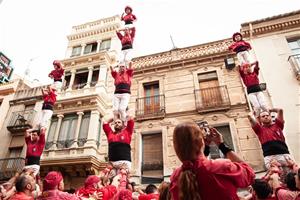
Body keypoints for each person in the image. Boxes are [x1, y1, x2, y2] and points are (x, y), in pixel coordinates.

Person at [169, 122, 255, 200]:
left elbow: (199, 166)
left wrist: (205, 148)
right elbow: (249, 174)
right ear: (200, 142)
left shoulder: (175, 177)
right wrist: (222, 145)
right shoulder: (221, 167)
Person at [248, 108, 295, 173]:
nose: (266, 117)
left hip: (284, 155)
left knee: (292, 177)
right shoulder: (259, 129)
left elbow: (280, 110)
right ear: (260, 119)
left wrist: (270, 110)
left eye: (267, 115)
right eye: (263, 116)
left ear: (270, 116)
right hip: (270, 157)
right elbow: (249, 117)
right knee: (276, 179)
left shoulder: (278, 125)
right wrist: (253, 112)